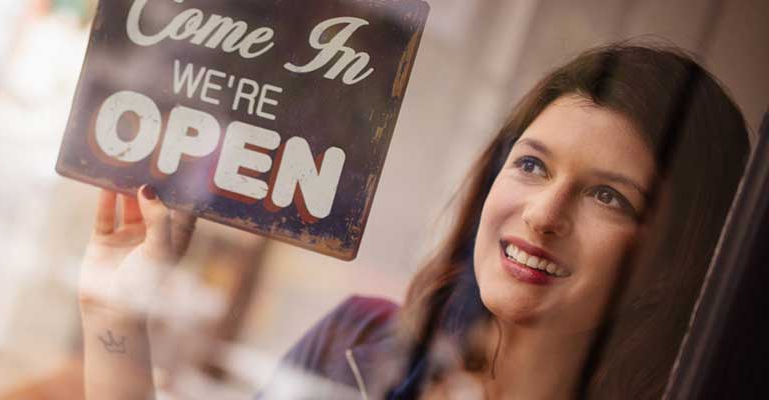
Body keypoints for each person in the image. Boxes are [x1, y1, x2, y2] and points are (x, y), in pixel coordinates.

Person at [76, 43, 750, 399]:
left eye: (609, 198)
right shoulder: (355, 342)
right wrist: (114, 313)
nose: (544, 215)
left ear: (676, 257)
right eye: (533, 167)